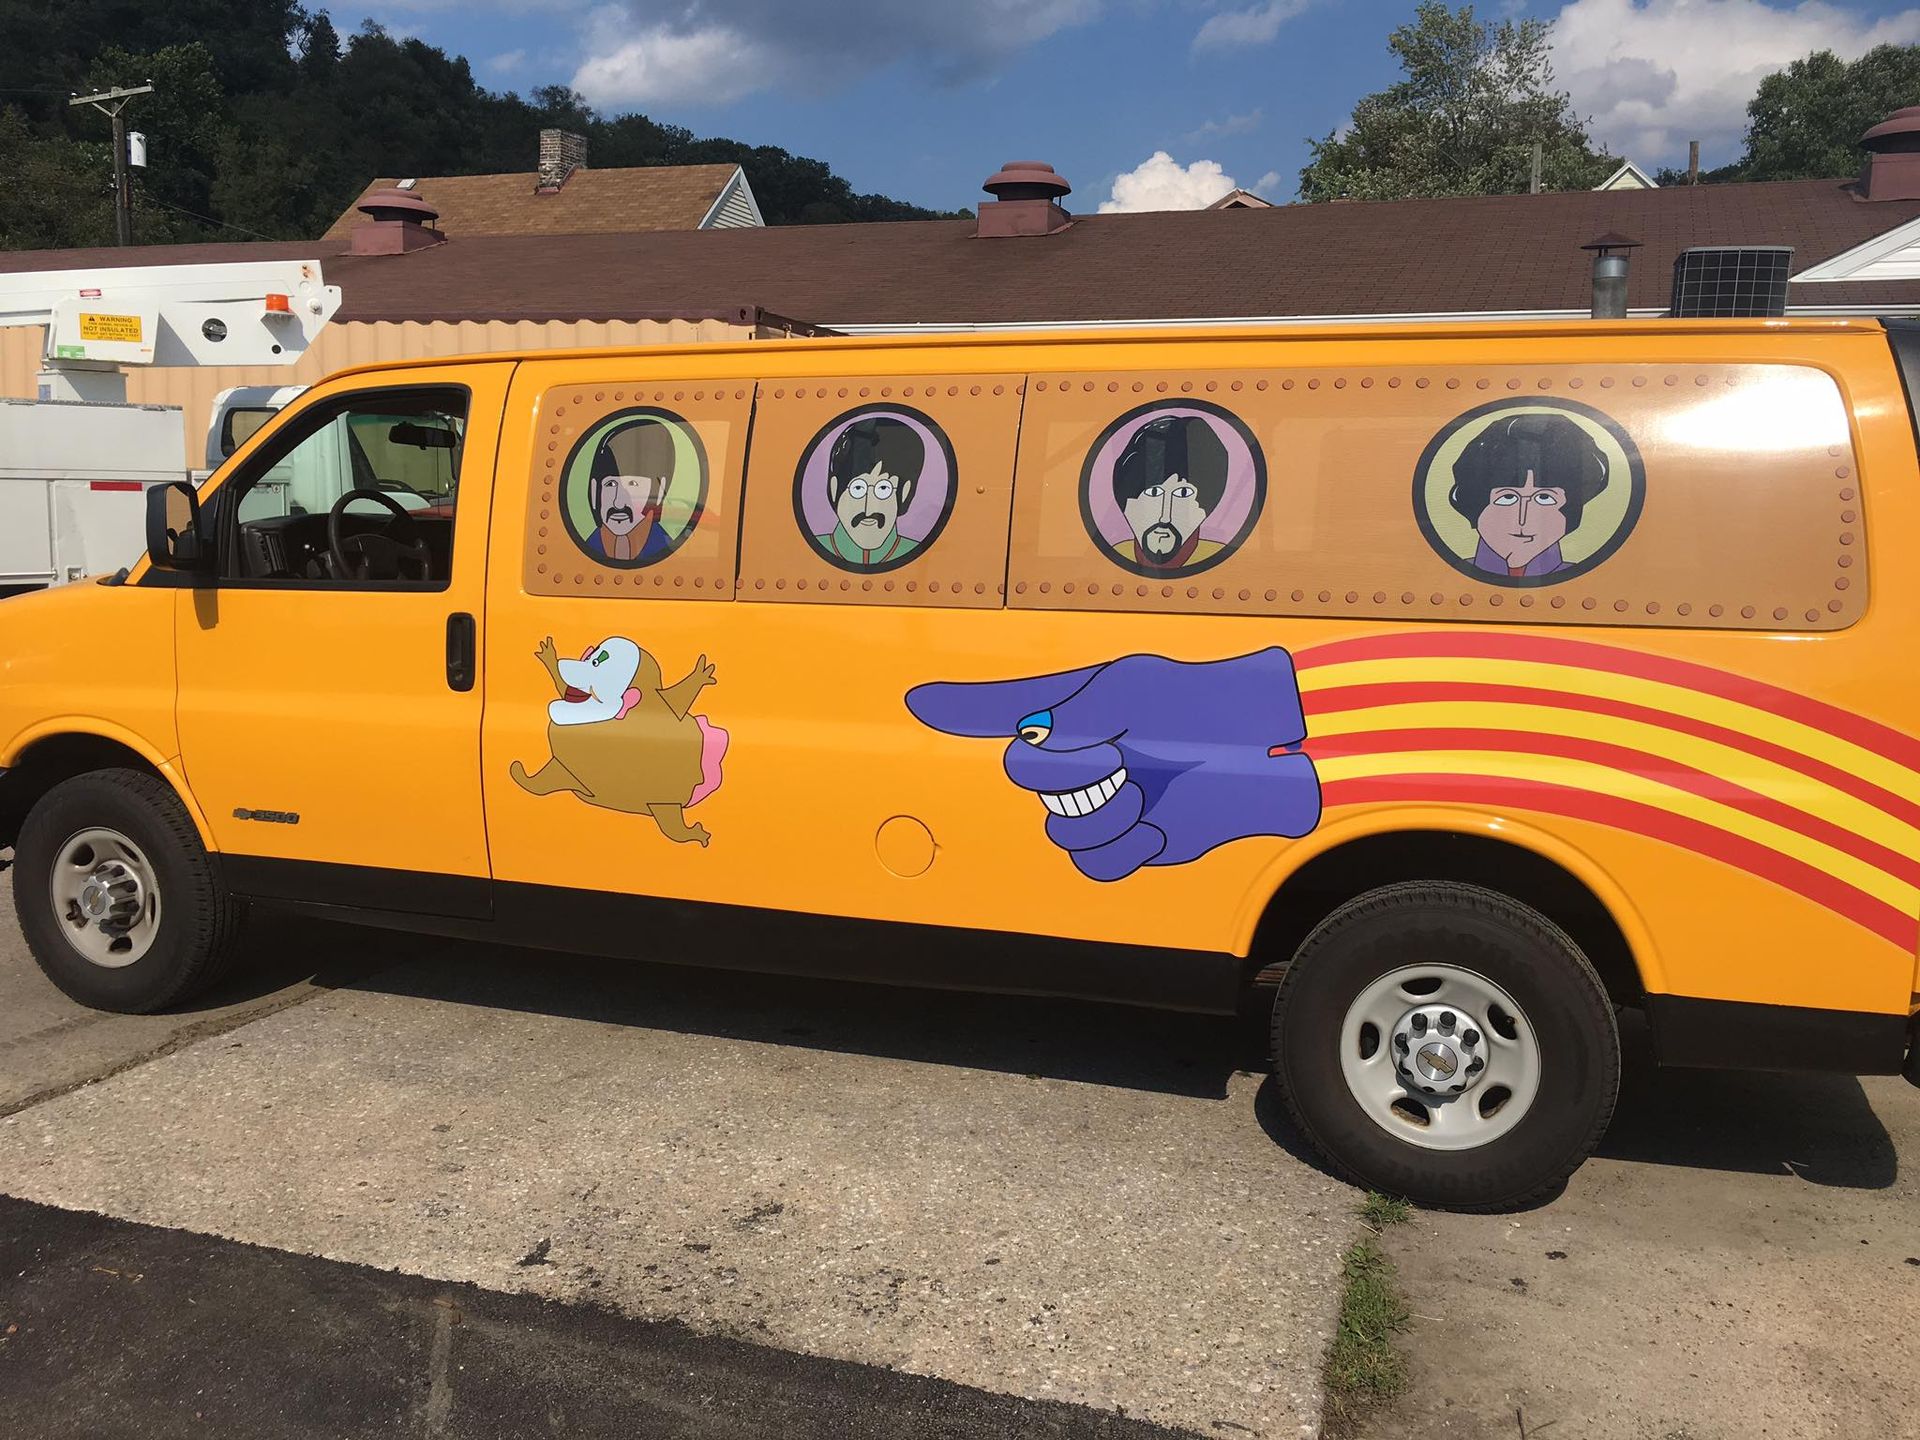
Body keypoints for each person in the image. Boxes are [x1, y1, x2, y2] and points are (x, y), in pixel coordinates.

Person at [1447, 411, 1609, 579]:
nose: (1523, 519)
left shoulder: (1590, 580)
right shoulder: (1446, 576)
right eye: (1507, 497)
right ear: (1475, 501)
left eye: (1544, 498)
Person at [1109, 414, 1229, 570]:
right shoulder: (1116, 554)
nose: (1165, 517)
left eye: (1183, 494)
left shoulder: (1220, 559)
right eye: (1153, 493)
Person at [814, 416, 924, 567]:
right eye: (858, 489)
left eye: (883, 490)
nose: (869, 508)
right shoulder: (806, 553)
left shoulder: (922, 558)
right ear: (834, 489)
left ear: (904, 493)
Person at [585, 419, 677, 563]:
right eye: (610, 484)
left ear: (659, 492)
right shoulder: (575, 555)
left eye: (633, 484)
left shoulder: (671, 556)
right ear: (594, 490)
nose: (618, 503)